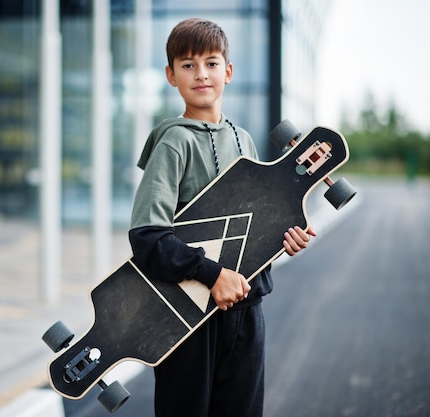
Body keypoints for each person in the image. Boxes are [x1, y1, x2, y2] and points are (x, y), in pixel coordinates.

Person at [129, 18, 316, 417]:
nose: (201, 74)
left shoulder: (242, 139)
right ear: (171, 75)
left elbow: (249, 230)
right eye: (188, 65)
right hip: (189, 319)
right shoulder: (174, 142)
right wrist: (212, 275)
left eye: (212, 63)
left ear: (228, 72)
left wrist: (284, 242)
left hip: (247, 312)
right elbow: (148, 238)